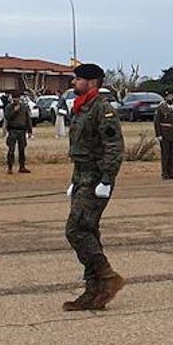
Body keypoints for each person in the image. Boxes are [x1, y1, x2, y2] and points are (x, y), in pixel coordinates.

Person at [62, 63, 125, 311]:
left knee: (75, 230)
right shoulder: (81, 107)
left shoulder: (102, 109)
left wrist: (107, 179)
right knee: (88, 231)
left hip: (96, 178)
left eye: (77, 79)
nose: (73, 83)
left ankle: (108, 277)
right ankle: (94, 290)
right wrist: (75, 180)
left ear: (91, 82)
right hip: (82, 176)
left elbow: (113, 146)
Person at [153, 95, 173, 179]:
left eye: (171, 96)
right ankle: (165, 172)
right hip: (165, 133)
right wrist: (158, 134)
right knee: (165, 154)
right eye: (168, 97)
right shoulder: (161, 108)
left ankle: (172, 172)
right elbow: (157, 122)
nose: (170, 98)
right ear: (165, 98)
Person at [4, 94, 33, 173]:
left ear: (19, 98)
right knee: (11, 150)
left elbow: (28, 119)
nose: (15, 99)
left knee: (22, 149)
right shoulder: (9, 107)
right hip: (12, 131)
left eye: (17, 98)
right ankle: (10, 167)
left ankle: (22, 166)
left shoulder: (24, 107)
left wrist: (30, 130)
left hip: (22, 131)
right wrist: (14, 111)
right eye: (14, 98)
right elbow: (7, 117)